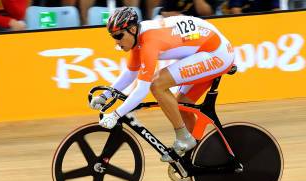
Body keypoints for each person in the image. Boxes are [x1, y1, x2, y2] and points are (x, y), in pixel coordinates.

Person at [91, 7, 234, 161]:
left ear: (132, 29)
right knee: (181, 106)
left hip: (216, 54)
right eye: (113, 37)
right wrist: (105, 95)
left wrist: (115, 115)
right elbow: (130, 73)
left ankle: (184, 138)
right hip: (206, 49)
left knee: (157, 84)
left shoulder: (149, 42)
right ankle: (194, 157)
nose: (117, 42)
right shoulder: (137, 38)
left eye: (119, 36)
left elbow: (142, 90)